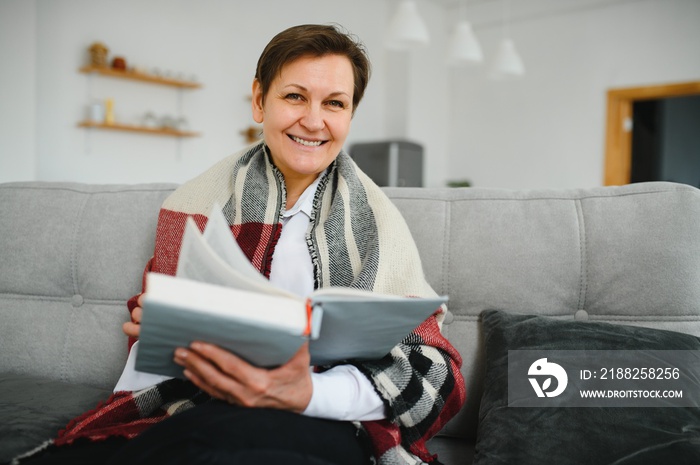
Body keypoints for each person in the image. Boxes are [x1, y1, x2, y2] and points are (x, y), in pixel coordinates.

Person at [18, 23, 465, 465]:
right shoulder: (194, 206)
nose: (314, 120)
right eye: (295, 96)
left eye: (334, 103)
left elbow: (436, 371)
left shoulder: (380, 225)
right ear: (259, 100)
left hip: (327, 421)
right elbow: (155, 363)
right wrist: (163, 327)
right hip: (207, 407)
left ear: (350, 115)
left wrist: (307, 392)